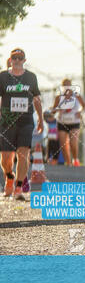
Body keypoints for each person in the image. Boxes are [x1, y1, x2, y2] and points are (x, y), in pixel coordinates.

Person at [1, 49, 43, 200]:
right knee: (6, 157)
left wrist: (40, 118)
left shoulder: (31, 77)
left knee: (23, 153)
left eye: (20, 58)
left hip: (25, 121)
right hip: (6, 122)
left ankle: (18, 187)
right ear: (10, 59)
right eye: (14, 57)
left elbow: (37, 99)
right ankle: (9, 176)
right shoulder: (3, 76)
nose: (17, 60)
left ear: (24, 60)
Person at [51, 79, 85, 166]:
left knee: (73, 142)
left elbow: (83, 106)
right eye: (64, 85)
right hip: (62, 122)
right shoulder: (58, 97)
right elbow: (53, 110)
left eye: (68, 85)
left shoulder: (77, 96)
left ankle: (75, 159)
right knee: (63, 143)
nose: (66, 87)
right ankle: (68, 162)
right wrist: (59, 109)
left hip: (74, 122)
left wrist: (79, 112)